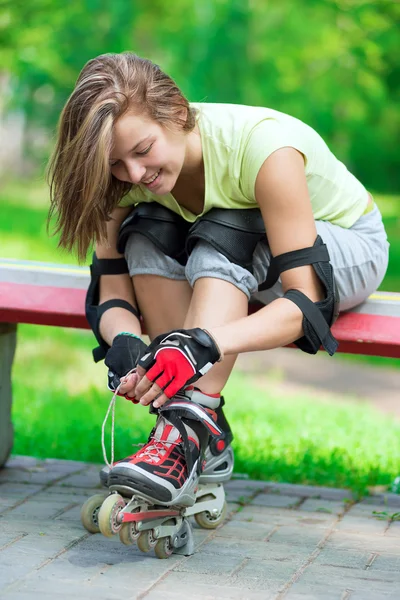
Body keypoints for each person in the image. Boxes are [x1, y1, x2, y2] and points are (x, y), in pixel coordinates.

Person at [47, 51, 389, 507]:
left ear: (178, 113)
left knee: (227, 230)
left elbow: (305, 303)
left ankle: (184, 433)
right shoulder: (123, 179)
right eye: (116, 164)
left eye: (143, 151)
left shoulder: (266, 150)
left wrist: (202, 345)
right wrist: (127, 342)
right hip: (244, 250)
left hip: (347, 250)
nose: (134, 174)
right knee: (146, 235)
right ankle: (192, 426)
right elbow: (111, 291)